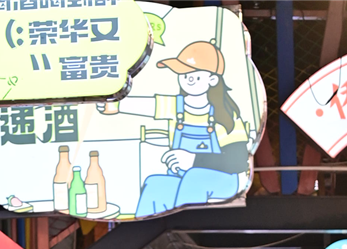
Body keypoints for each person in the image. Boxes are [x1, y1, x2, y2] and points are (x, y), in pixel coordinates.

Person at [105, 42, 252, 216]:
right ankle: (144, 227)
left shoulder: (225, 116)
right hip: (182, 177)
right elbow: (142, 105)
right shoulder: (175, 106)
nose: (188, 80)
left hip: (225, 180)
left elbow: (238, 161)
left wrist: (193, 160)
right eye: (184, 75)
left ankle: (190, 222)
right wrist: (110, 98)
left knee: (194, 176)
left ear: (212, 80)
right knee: (155, 184)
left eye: (195, 76)